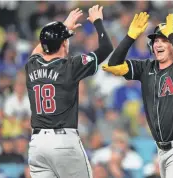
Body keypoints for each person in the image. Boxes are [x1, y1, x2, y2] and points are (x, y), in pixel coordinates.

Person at [102, 12, 173, 178]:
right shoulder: (146, 68)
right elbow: (114, 64)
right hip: (162, 149)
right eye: (156, 40)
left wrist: (172, 35)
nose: (158, 43)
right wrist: (130, 37)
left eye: (164, 40)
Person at [25, 5, 113, 178]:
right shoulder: (70, 66)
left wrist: (62, 28)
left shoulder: (31, 66)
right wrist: (98, 21)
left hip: (37, 145)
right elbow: (106, 48)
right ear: (64, 43)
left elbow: (38, 49)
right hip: (63, 142)